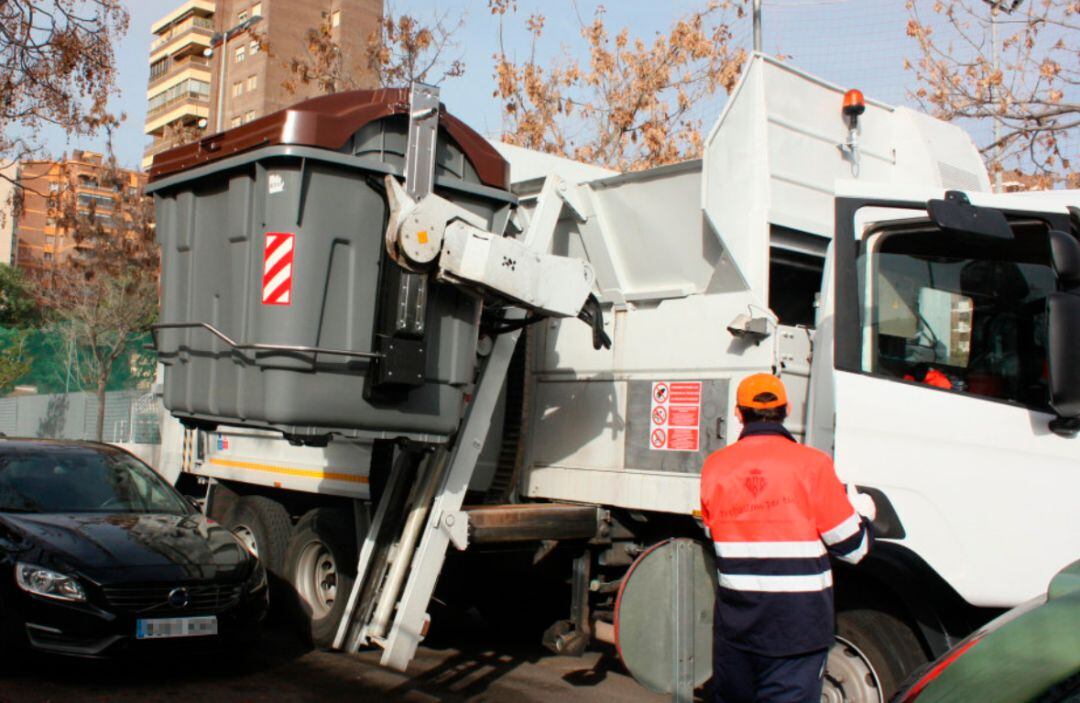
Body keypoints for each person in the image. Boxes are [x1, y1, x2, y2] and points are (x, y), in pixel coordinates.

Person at [700, 373, 873, 703]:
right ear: (787, 409)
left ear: (739, 413)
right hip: (798, 629)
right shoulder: (814, 465)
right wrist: (865, 514)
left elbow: (713, 530)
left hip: (738, 629)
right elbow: (853, 548)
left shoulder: (715, 467)